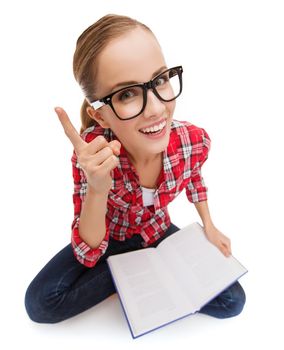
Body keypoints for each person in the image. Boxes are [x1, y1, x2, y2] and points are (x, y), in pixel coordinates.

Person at [25, 14, 246, 324]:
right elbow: (88, 253)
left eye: (159, 80)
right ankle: (132, 276)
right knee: (41, 303)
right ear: (100, 116)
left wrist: (208, 224)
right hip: (108, 238)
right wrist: (98, 188)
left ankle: (137, 275)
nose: (156, 108)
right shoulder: (93, 154)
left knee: (232, 300)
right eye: (127, 94)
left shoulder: (191, 140)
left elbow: (194, 176)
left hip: (156, 231)